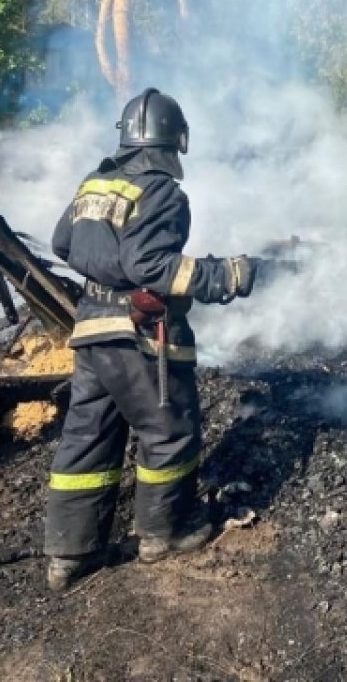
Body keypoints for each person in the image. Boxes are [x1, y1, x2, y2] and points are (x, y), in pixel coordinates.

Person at [44, 88, 262, 591]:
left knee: (86, 438)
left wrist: (105, 265)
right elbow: (152, 268)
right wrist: (224, 276)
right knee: (169, 430)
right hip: (136, 336)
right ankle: (164, 533)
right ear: (174, 140)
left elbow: (62, 243)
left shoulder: (94, 184)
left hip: (91, 332)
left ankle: (68, 554)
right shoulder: (161, 190)